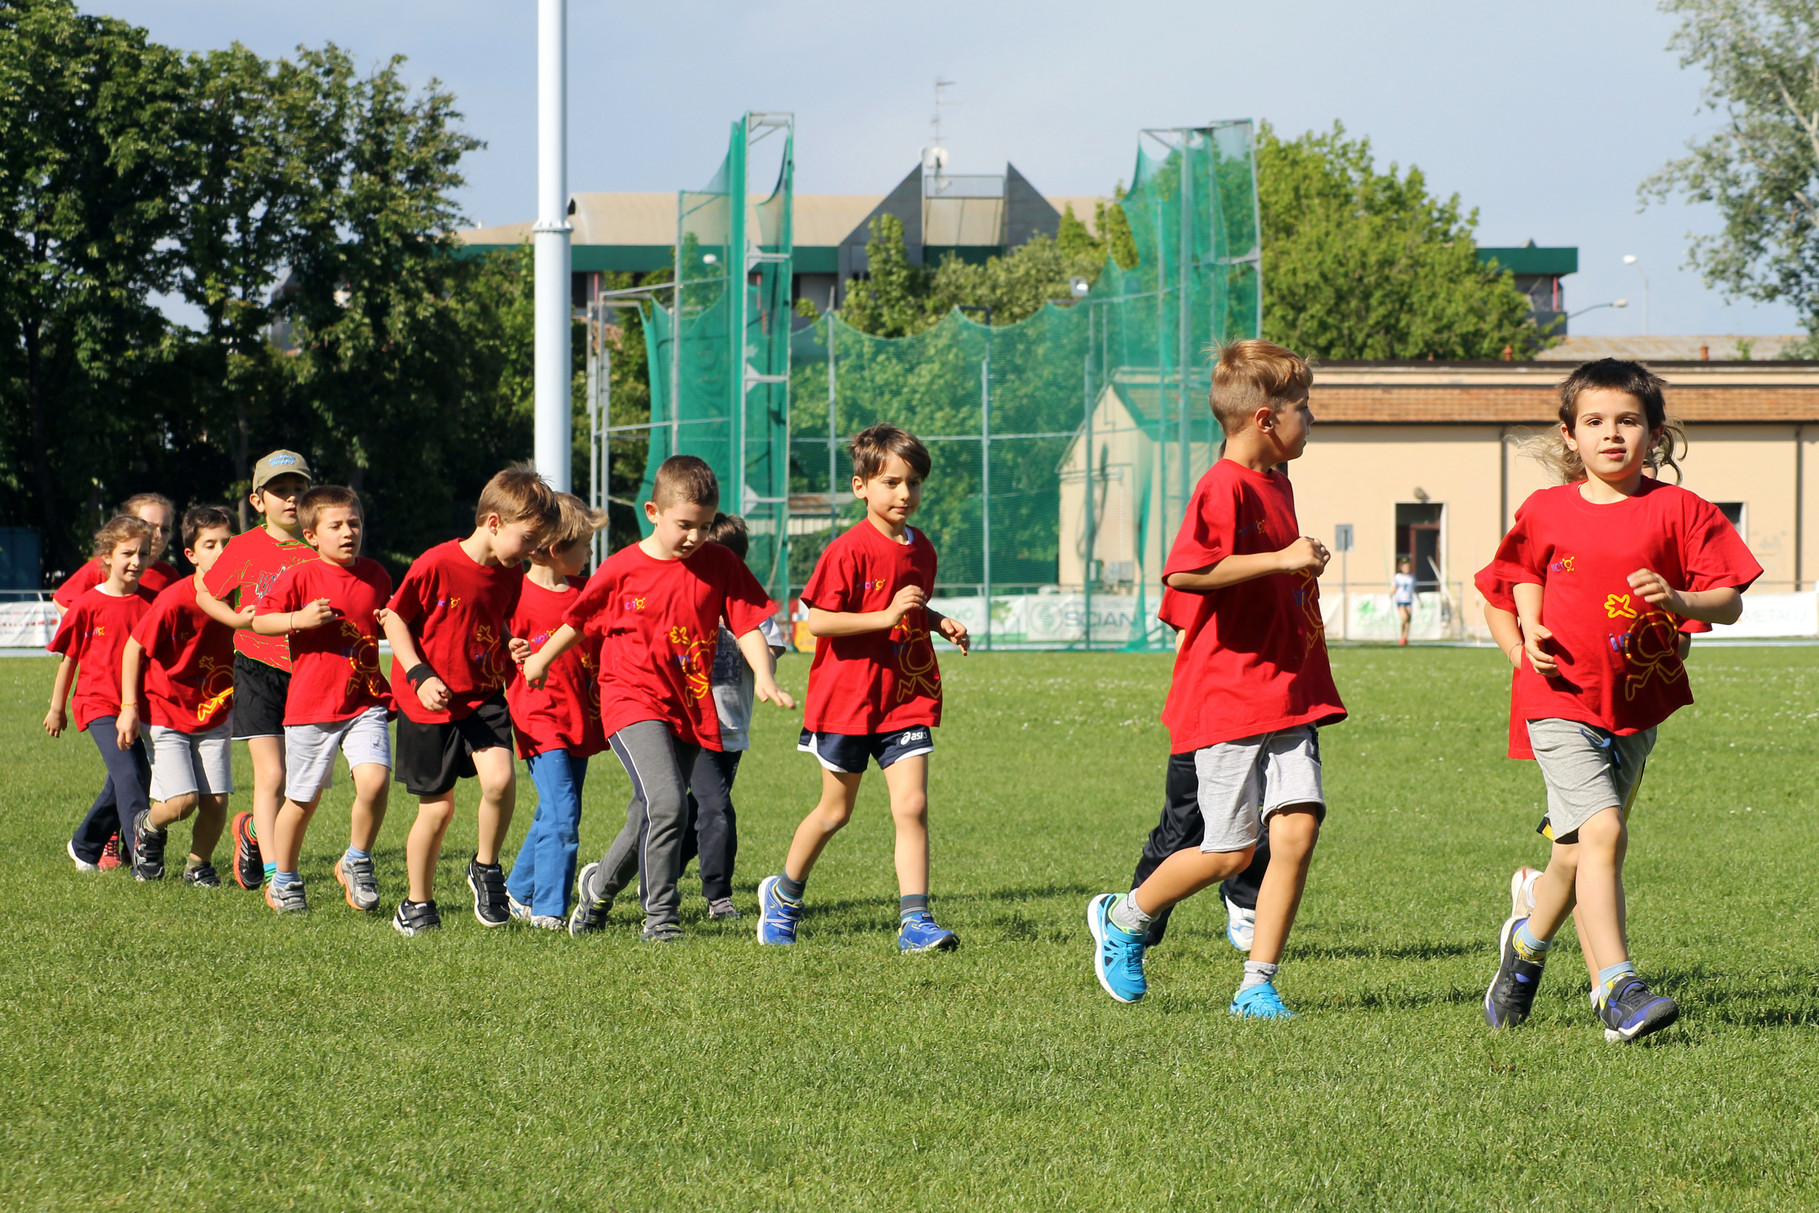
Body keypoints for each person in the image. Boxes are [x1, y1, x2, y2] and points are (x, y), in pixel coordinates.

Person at [1478, 358, 1760, 1043]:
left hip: (1636, 700)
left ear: (1655, 433)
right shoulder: (1544, 508)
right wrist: (1523, 643)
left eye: (1627, 421)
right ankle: (1614, 987)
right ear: (1568, 435)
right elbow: (1507, 579)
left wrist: (1683, 600)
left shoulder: (1681, 510)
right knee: (1602, 832)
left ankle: (1524, 944)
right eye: (1594, 421)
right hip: (1556, 698)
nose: (1611, 434)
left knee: (1577, 853)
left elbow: (1728, 600)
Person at [1086, 339, 1346, 1017]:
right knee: (1229, 852)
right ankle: (1124, 915)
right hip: (1230, 697)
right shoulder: (1222, 484)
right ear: (1266, 419)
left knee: (1296, 830)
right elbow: (1184, 573)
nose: (1310, 418)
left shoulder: (1276, 482)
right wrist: (1278, 558)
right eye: (1302, 406)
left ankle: (1256, 983)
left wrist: (1295, 564)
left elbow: (1257, 568)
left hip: (1287, 690)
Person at [528, 456, 792, 944]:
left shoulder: (720, 564)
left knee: (649, 813)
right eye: (685, 525)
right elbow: (578, 620)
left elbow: (748, 623)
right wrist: (541, 660)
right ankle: (661, 920)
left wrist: (764, 675)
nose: (695, 536)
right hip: (631, 699)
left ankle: (597, 892)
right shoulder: (622, 568)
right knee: (671, 804)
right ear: (653, 511)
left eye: (706, 526)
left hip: (690, 706)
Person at [754, 424, 971, 953]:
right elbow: (820, 624)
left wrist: (938, 621)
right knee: (835, 812)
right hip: (847, 702)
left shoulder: (923, 549)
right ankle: (783, 897)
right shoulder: (846, 551)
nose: (904, 494)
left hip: (904, 698)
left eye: (914, 483)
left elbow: (909, 608)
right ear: (861, 486)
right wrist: (885, 616)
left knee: (913, 806)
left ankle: (915, 921)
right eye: (892, 482)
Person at [381, 464, 558, 936]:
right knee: (437, 811)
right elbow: (394, 620)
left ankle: (485, 868)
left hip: (483, 695)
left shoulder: (511, 572)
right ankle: (417, 903)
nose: (534, 553)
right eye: (529, 540)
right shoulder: (435, 564)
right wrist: (419, 674)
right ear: (494, 523)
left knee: (499, 782)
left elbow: (493, 620)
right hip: (430, 703)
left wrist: (508, 642)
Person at [629, 513, 790, 921]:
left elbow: (770, 649)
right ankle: (718, 898)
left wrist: (757, 659)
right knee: (716, 809)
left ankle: (638, 875)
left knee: (695, 813)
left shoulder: (747, 604)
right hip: (690, 725)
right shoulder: (685, 595)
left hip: (731, 728)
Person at [251, 485, 394, 914]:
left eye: (354, 523)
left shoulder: (376, 575)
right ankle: (286, 878)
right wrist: (299, 619)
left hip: (365, 700)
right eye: (336, 526)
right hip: (312, 707)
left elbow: (390, 623)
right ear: (312, 536)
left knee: (375, 781)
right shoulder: (300, 576)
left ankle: (356, 860)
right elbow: (260, 621)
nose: (348, 532)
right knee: (303, 799)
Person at [197, 451, 318, 892]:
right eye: (280, 491)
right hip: (256, 668)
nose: (290, 499)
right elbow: (206, 593)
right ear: (257, 500)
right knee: (272, 776)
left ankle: (251, 833)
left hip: (308, 672)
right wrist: (234, 620)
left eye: (299, 490)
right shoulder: (243, 546)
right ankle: (276, 875)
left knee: (304, 781)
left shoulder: (318, 547)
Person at [502, 493, 609, 930]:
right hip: (538, 718)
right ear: (551, 549)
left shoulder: (590, 593)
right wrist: (512, 649)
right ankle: (548, 910)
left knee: (555, 810)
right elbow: (496, 644)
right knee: (564, 813)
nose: (588, 552)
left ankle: (515, 890)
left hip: (582, 717)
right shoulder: (515, 594)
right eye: (582, 544)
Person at [119, 505, 239, 886]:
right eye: (210, 545)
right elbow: (133, 649)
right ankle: (147, 828)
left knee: (215, 803)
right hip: (166, 711)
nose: (221, 552)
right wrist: (128, 707)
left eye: (228, 543)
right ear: (191, 554)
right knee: (181, 802)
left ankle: (197, 865)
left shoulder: (242, 596)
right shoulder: (174, 600)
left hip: (215, 711)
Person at [46, 515, 158, 871]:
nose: (136, 562)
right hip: (97, 704)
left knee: (130, 777)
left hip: (136, 706)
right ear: (107, 556)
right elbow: (69, 660)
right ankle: (143, 857)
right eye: (127, 553)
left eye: (142, 553)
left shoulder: (151, 603)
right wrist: (56, 708)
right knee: (129, 776)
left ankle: (84, 846)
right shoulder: (87, 605)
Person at [52, 493, 180, 613]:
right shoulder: (104, 566)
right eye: (151, 527)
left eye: (165, 529)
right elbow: (63, 600)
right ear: (128, 524)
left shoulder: (169, 575)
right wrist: (93, 629)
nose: (158, 535)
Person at [1392, 557, 1417, 646]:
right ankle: (1402, 636)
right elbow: (1394, 587)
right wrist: (1391, 594)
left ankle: (1404, 638)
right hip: (1401, 600)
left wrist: (1419, 599)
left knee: (1408, 620)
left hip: (1409, 600)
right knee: (1404, 618)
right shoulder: (1398, 577)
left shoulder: (1411, 577)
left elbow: (1414, 588)